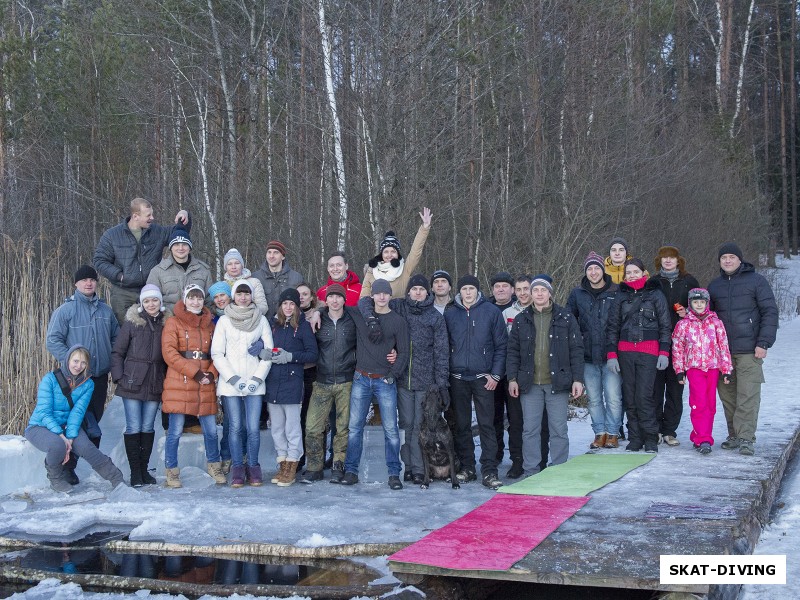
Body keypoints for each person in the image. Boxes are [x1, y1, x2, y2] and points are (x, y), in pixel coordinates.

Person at [358, 274, 449, 485]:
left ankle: (418, 468)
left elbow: (442, 352)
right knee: (405, 424)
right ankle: (407, 466)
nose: (417, 292)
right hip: (401, 379)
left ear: (428, 292)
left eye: (422, 289)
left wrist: (441, 384)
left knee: (419, 425)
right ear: (408, 291)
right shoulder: (399, 307)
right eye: (414, 289)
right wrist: (371, 320)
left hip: (426, 382)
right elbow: (365, 302)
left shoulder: (435, 317)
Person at [46, 265, 119, 484]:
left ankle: (73, 464)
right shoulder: (66, 311)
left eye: (92, 280)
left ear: (97, 283)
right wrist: (71, 364)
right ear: (76, 284)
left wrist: (113, 362)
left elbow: (116, 340)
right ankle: (64, 468)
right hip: (75, 380)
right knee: (74, 423)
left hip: (98, 377)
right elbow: (53, 340)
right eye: (84, 280)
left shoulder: (106, 311)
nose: (89, 283)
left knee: (92, 422)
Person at [507, 275, 584, 475]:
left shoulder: (565, 317)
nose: (539, 294)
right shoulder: (521, 319)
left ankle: (558, 469)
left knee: (558, 429)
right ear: (530, 294)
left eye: (543, 290)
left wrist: (577, 379)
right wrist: (512, 379)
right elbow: (512, 351)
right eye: (535, 290)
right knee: (530, 429)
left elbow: (576, 350)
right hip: (529, 383)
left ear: (550, 293)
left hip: (556, 382)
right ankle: (531, 470)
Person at [708, 242, 778, 456]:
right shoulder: (714, 286)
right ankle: (734, 435)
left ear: (740, 259)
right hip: (723, 353)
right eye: (723, 258)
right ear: (719, 261)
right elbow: (707, 318)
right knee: (728, 396)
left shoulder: (756, 281)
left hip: (750, 350)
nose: (727, 260)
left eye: (731, 257)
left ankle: (746, 438)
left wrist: (763, 342)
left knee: (748, 395)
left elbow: (770, 312)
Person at [340, 279, 410, 489]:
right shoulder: (361, 315)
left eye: (385, 294)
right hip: (361, 378)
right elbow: (335, 306)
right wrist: (315, 312)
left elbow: (404, 351)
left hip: (384, 380)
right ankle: (351, 471)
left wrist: (394, 373)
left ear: (390, 296)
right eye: (378, 293)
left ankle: (394, 473)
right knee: (354, 428)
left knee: (390, 429)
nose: (381, 297)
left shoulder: (398, 321)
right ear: (372, 296)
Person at [25, 345, 124, 492]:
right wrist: (62, 437)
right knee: (57, 445)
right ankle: (56, 480)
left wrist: (70, 437)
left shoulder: (87, 384)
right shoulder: (50, 379)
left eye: (83, 363)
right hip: (41, 426)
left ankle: (116, 478)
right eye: (76, 361)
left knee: (86, 447)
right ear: (68, 360)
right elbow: (44, 412)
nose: (79, 366)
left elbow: (77, 412)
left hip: (67, 426)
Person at [444, 275, 507, 489]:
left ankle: (489, 471)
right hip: (458, 378)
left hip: (483, 378)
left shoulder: (491, 311)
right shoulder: (451, 313)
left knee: (487, 425)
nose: (468, 292)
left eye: (472, 288)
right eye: (465, 289)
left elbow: (501, 346)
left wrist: (495, 374)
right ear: (459, 291)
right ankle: (468, 467)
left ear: (477, 291)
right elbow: (444, 346)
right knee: (462, 425)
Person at [161, 284, 224, 488]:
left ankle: (214, 465)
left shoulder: (210, 325)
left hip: (205, 381)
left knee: (211, 430)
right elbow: (169, 353)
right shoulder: (173, 322)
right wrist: (194, 372)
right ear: (185, 300)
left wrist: (212, 374)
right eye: (191, 298)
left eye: (199, 298)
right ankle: (172, 470)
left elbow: (218, 352)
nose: (195, 302)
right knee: (175, 430)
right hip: (181, 381)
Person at [211, 281, 274, 487]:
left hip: (255, 383)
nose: (244, 297)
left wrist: (257, 378)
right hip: (231, 384)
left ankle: (253, 467)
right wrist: (233, 378)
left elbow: (269, 352)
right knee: (236, 427)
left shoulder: (261, 320)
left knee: (253, 428)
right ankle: (238, 468)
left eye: (247, 294)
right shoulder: (224, 321)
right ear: (234, 295)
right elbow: (217, 353)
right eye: (240, 293)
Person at [606, 259, 671, 453]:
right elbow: (613, 326)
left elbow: (665, 325)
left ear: (644, 273)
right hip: (625, 352)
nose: (632, 275)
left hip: (649, 352)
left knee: (645, 396)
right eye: (629, 272)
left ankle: (650, 437)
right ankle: (635, 438)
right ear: (624, 276)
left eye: (636, 271)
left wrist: (664, 351)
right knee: (630, 397)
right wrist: (611, 354)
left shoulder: (656, 295)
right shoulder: (620, 296)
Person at [93, 197, 190, 324]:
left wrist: (185, 215)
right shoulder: (112, 235)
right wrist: (120, 276)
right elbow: (99, 261)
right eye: (148, 215)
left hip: (152, 290)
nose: (152, 218)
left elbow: (180, 233)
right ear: (135, 216)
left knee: (154, 330)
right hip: (123, 293)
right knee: (126, 332)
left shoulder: (157, 232)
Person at [110, 284, 170, 487]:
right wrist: (119, 377)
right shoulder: (131, 323)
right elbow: (118, 352)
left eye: (154, 300)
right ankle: (135, 472)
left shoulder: (166, 323)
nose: (151, 304)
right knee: (134, 426)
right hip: (132, 381)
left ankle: (144, 471)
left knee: (148, 426)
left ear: (160, 302)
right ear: (141, 303)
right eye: (147, 301)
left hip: (155, 381)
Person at [566, 252, 623, 449]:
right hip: (587, 355)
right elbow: (569, 321)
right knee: (595, 399)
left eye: (596, 268)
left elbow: (620, 322)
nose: (593, 272)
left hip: (611, 355)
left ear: (603, 269)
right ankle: (599, 433)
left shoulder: (616, 291)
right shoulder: (577, 294)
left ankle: (613, 433)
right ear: (585, 272)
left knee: (613, 397)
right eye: (589, 269)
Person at [302, 284, 357, 483]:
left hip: (346, 381)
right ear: (326, 299)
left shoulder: (353, 319)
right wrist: (317, 311)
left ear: (344, 300)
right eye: (331, 296)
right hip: (322, 381)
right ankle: (315, 467)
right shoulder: (319, 319)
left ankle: (338, 464)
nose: (334, 300)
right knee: (312, 427)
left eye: (338, 297)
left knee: (342, 428)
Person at [263, 288, 319, 487]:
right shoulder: (273, 325)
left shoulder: (302, 327)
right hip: (273, 383)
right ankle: (283, 462)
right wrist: (263, 352)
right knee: (277, 428)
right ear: (280, 306)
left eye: (292, 304)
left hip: (293, 383)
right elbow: (264, 344)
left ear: (297, 307)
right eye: (285, 303)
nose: (288, 307)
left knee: (292, 428)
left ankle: (293, 463)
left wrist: (292, 357)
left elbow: (312, 354)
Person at [671, 288, 733, 455]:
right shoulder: (683, 324)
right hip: (694, 368)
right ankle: (703, 439)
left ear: (707, 303)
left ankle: (701, 433)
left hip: (713, 367)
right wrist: (680, 370)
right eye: (695, 302)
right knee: (699, 403)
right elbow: (678, 348)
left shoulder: (716, 323)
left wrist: (726, 369)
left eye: (702, 302)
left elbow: (723, 347)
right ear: (690, 304)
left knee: (710, 404)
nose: (699, 305)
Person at [499, 275, 534, 477]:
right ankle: (517, 460)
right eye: (519, 289)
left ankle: (537, 458)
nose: (522, 293)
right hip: (513, 375)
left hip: (535, 375)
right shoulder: (507, 313)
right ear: (514, 291)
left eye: (526, 288)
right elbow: (506, 346)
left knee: (536, 421)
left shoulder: (539, 310)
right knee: (515, 421)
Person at [360, 208, 433, 297]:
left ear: (398, 253)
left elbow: (415, 251)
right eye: (386, 252)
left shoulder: (405, 269)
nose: (389, 255)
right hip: (376, 310)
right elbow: (364, 298)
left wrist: (424, 228)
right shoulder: (372, 271)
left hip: (399, 310)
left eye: (393, 251)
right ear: (381, 254)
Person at [146, 228, 213, 312]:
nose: (180, 248)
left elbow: (209, 299)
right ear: (171, 248)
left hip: (197, 319)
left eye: (184, 244)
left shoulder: (203, 270)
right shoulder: (157, 271)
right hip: (169, 319)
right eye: (176, 244)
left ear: (190, 247)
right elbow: (150, 299)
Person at [297, 282, 320, 469]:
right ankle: (296, 457)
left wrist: (319, 311)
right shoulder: (287, 315)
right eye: (299, 294)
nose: (302, 297)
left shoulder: (319, 314)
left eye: (306, 294)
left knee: (310, 418)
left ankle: (313, 459)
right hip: (292, 371)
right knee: (294, 418)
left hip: (312, 371)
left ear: (312, 297)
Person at [252, 240, 304, 320]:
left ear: (283, 256)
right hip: (262, 324)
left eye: (276, 252)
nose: (271, 256)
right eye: (269, 252)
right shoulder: (255, 278)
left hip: (288, 326)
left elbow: (304, 303)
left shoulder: (296, 278)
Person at [222, 248, 269, 315]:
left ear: (242, 265)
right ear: (226, 267)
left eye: (237, 263)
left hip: (252, 320)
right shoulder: (223, 285)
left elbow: (263, 307)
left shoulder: (254, 282)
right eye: (229, 264)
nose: (233, 267)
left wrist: (246, 316)